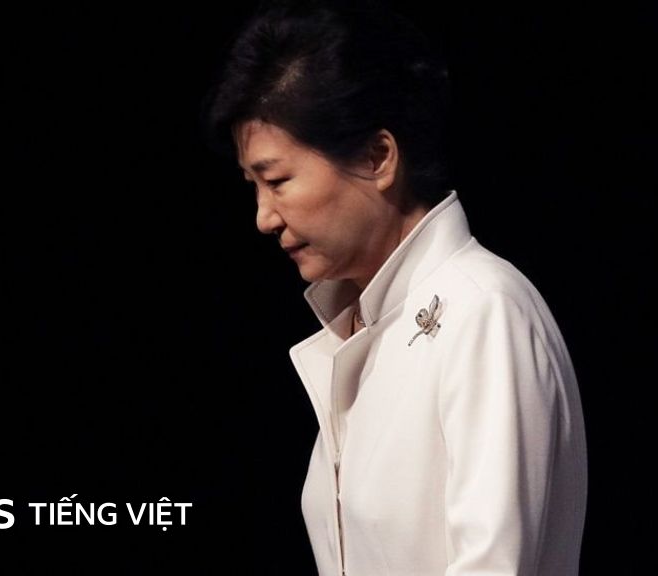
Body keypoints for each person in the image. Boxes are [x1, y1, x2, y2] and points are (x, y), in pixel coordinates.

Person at [201, 1, 588, 575]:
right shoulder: (368, 324)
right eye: (252, 185)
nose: (263, 217)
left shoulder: (483, 309)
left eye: (277, 179)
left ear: (377, 157)